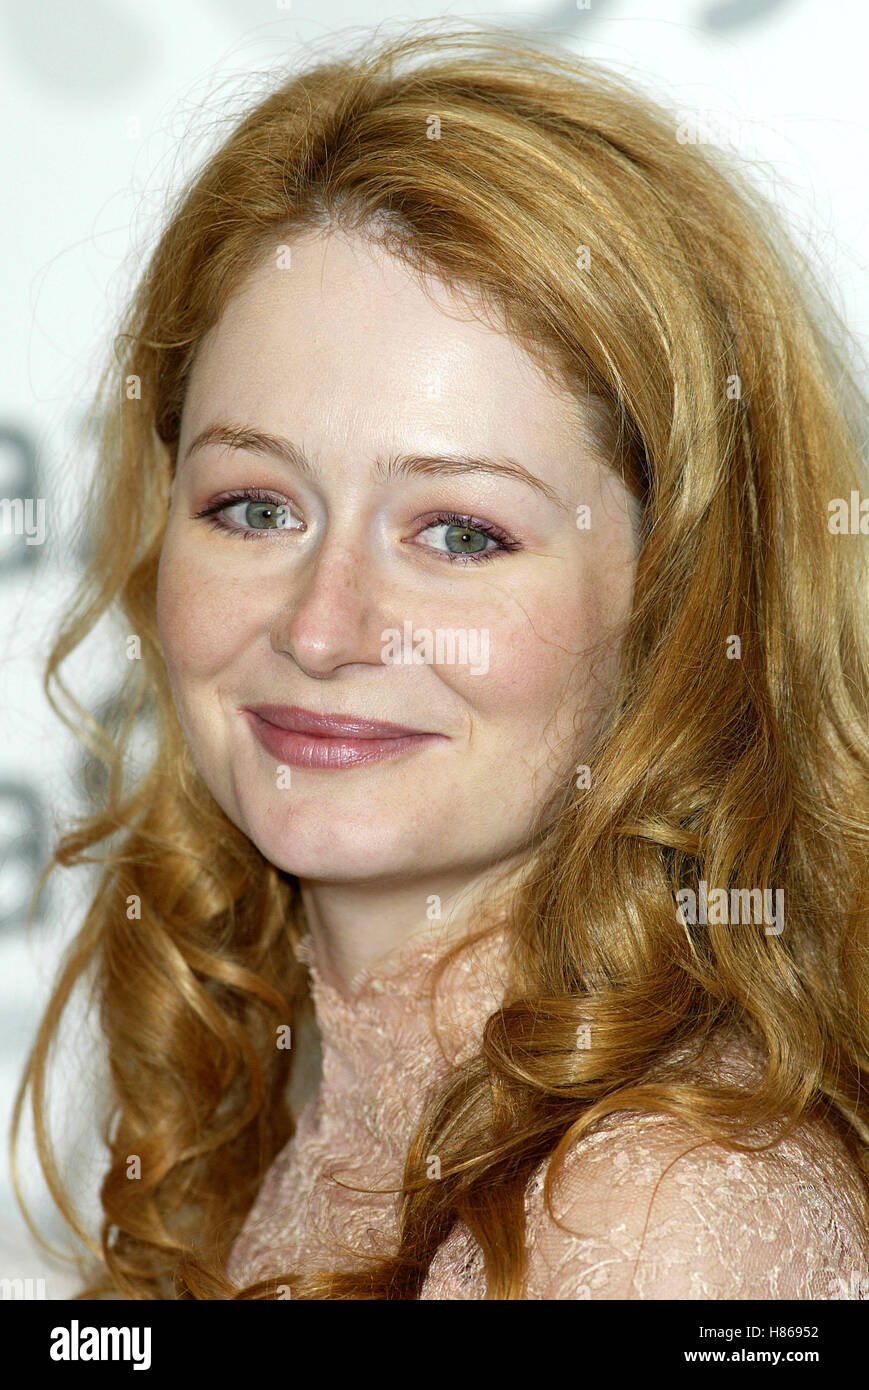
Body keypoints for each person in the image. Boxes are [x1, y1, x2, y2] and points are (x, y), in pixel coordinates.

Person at [13, 23, 869, 1300]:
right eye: (255, 507)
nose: (321, 626)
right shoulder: (261, 1123)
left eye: (459, 533)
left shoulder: (655, 1226)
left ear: (678, 601)